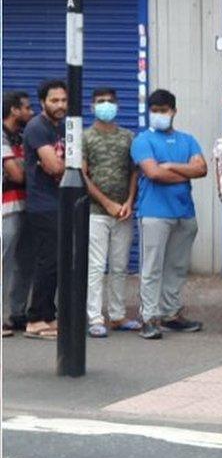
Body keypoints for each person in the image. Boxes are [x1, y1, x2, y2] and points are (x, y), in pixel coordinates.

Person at [131, 89, 207, 340]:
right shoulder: (143, 141)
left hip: (184, 212)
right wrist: (186, 173)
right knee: (151, 267)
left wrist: (172, 166)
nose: (159, 115)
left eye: (163, 110)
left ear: (174, 111)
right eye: (154, 110)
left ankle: (170, 313)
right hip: (154, 212)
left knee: (176, 266)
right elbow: (153, 173)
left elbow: (202, 168)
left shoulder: (188, 140)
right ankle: (149, 317)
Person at [82, 87, 140, 338]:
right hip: (96, 211)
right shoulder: (85, 137)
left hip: (123, 213)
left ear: (118, 106)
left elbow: (134, 172)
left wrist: (128, 201)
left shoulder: (128, 137)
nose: (106, 105)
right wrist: (107, 203)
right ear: (91, 107)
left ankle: (117, 315)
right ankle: (95, 317)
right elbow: (83, 174)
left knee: (119, 266)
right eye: (100, 102)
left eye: (110, 101)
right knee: (95, 266)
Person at [21, 80, 68, 339]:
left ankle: (48, 316)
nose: (60, 105)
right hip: (43, 204)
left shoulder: (57, 127)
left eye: (63, 100)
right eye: (54, 100)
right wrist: (66, 164)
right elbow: (55, 167)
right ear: (42, 102)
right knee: (47, 262)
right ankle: (36, 318)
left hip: (57, 203)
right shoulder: (37, 127)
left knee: (55, 261)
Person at [2, 91, 34, 336]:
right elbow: (17, 174)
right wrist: (32, 167)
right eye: (27, 107)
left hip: (25, 204)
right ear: (14, 110)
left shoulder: (22, 136)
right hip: (6, 206)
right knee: (4, 261)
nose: (31, 112)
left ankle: (16, 313)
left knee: (23, 263)